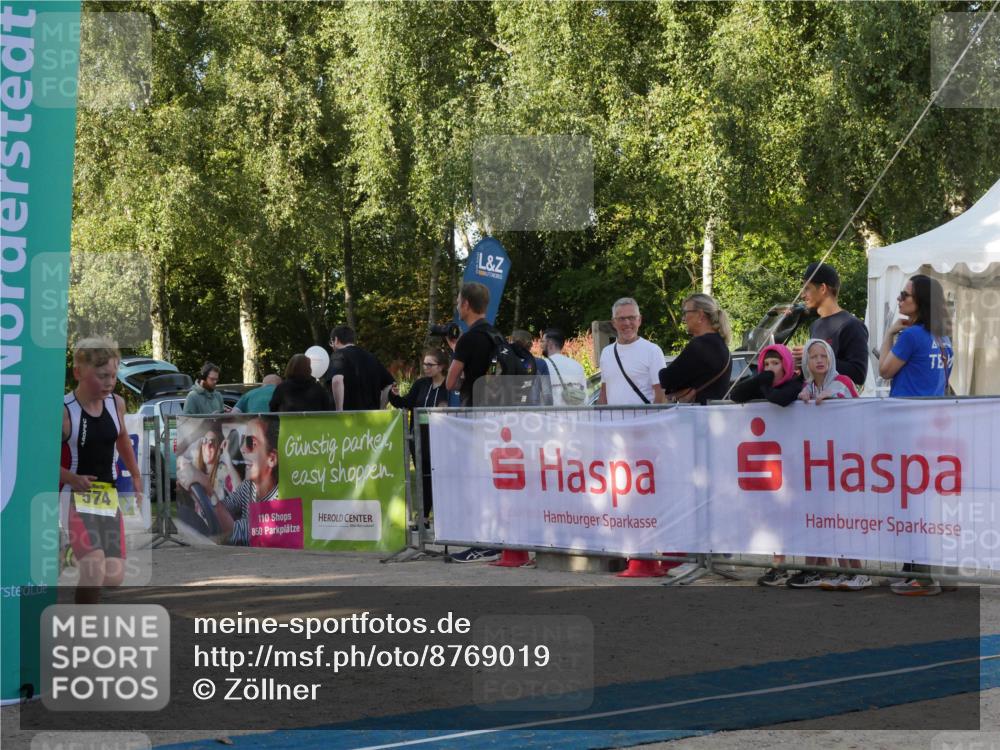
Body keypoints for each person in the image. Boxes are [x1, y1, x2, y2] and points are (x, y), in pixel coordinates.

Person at [879, 274, 954, 597]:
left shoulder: (911, 338)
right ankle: (916, 570)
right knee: (922, 501)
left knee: (912, 502)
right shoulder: (944, 339)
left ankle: (922, 576)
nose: (899, 300)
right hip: (933, 430)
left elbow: (883, 370)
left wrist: (889, 334)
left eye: (904, 295)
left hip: (909, 430)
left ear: (919, 301)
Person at [60, 337, 143, 604]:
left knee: (114, 576)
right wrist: (71, 477)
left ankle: (69, 553)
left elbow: (121, 437)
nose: (109, 382)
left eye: (114, 376)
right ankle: (83, 632)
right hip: (72, 495)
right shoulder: (63, 411)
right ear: (78, 372)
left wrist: (137, 475)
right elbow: (37, 460)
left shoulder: (115, 403)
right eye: (102, 375)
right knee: (94, 566)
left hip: (106, 495)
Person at [786, 339, 870, 591]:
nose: (820, 360)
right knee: (829, 519)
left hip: (847, 462)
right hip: (822, 465)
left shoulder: (842, 382)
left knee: (845, 518)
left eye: (824, 355)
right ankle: (838, 570)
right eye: (814, 356)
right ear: (807, 362)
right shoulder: (808, 387)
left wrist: (834, 397)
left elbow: (857, 408)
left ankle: (859, 572)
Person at [730, 344, 803, 587]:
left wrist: (764, 382)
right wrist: (761, 379)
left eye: (776, 364)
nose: (770, 369)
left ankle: (810, 565)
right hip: (769, 461)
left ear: (786, 365)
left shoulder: (794, 384)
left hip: (795, 458)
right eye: (767, 364)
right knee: (774, 513)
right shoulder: (760, 382)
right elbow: (736, 394)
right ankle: (778, 564)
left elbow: (778, 399)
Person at [443, 282, 502, 562]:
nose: (457, 305)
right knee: (492, 479)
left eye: (458, 300)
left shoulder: (468, 339)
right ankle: (497, 538)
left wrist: (460, 371)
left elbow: (450, 381)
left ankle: (484, 541)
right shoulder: (496, 335)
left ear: (466, 304)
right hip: (498, 417)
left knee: (476, 480)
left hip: (475, 416)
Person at [388, 348, 450, 519]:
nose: (426, 367)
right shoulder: (421, 384)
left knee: (440, 478)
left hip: (442, 441)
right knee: (423, 478)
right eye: (424, 364)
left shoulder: (450, 386)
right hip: (419, 440)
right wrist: (393, 396)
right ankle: (423, 517)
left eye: (430, 364)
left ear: (441, 367)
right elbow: (405, 403)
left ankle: (443, 517)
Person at [791, 262, 868, 389]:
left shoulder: (852, 325)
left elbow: (859, 374)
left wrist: (816, 357)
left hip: (838, 404)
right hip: (817, 403)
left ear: (822, 288)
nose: (803, 295)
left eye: (807, 288)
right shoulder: (815, 325)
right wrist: (801, 365)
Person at [214, 415, 280, 546]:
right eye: (243, 440)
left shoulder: (279, 499)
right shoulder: (248, 486)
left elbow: (236, 532)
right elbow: (225, 506)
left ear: (271, 459)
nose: (242, 449)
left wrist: (206, 489)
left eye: (251, 443)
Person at [659, 294, 732, 404]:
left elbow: (666, 379)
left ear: (700, 315)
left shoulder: (700, 345)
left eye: (685, 313)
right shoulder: (722, 345)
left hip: (698, 416)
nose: (683, 318)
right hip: (716, 415)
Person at [598, 297, 667, 405]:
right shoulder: (606, 353)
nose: (627, 323)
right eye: (621, 318)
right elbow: (604, 393)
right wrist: (598, 419)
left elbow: (661, 394)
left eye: (632, 317)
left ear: (639, 320)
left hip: (644, 421)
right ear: (613, 322)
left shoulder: (653, 351)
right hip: (613, 421)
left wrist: (654, 420)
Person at [327, 326, 395, 411]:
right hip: (371, 418)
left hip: (349, 419)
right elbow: (390, 385)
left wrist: (339, 411)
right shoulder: (371, 357)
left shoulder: (338, 355)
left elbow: (337, 380)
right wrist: (381, 408)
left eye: (331, 342)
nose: (332, 346)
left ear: (336, 340)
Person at [269, 354, 335, 412]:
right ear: (309, 368)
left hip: (289, 425)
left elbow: (273, 409)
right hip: (313, 425)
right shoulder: (318, 389)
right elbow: (327, 409)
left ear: (290, 367)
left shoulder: (281, 388)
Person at [542, 328, 587, 406]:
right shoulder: (577, 365)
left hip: (551, 416)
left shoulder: (543, 365)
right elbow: (585, 397)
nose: (540, 345)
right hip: (575, 415)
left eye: (542, 341)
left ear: (549, 343)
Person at [511, 329, 552, 405]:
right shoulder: (540, 363)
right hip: (532, 412)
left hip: (507, 412)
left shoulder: (505, 362)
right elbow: (547, 394)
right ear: (530, 345)